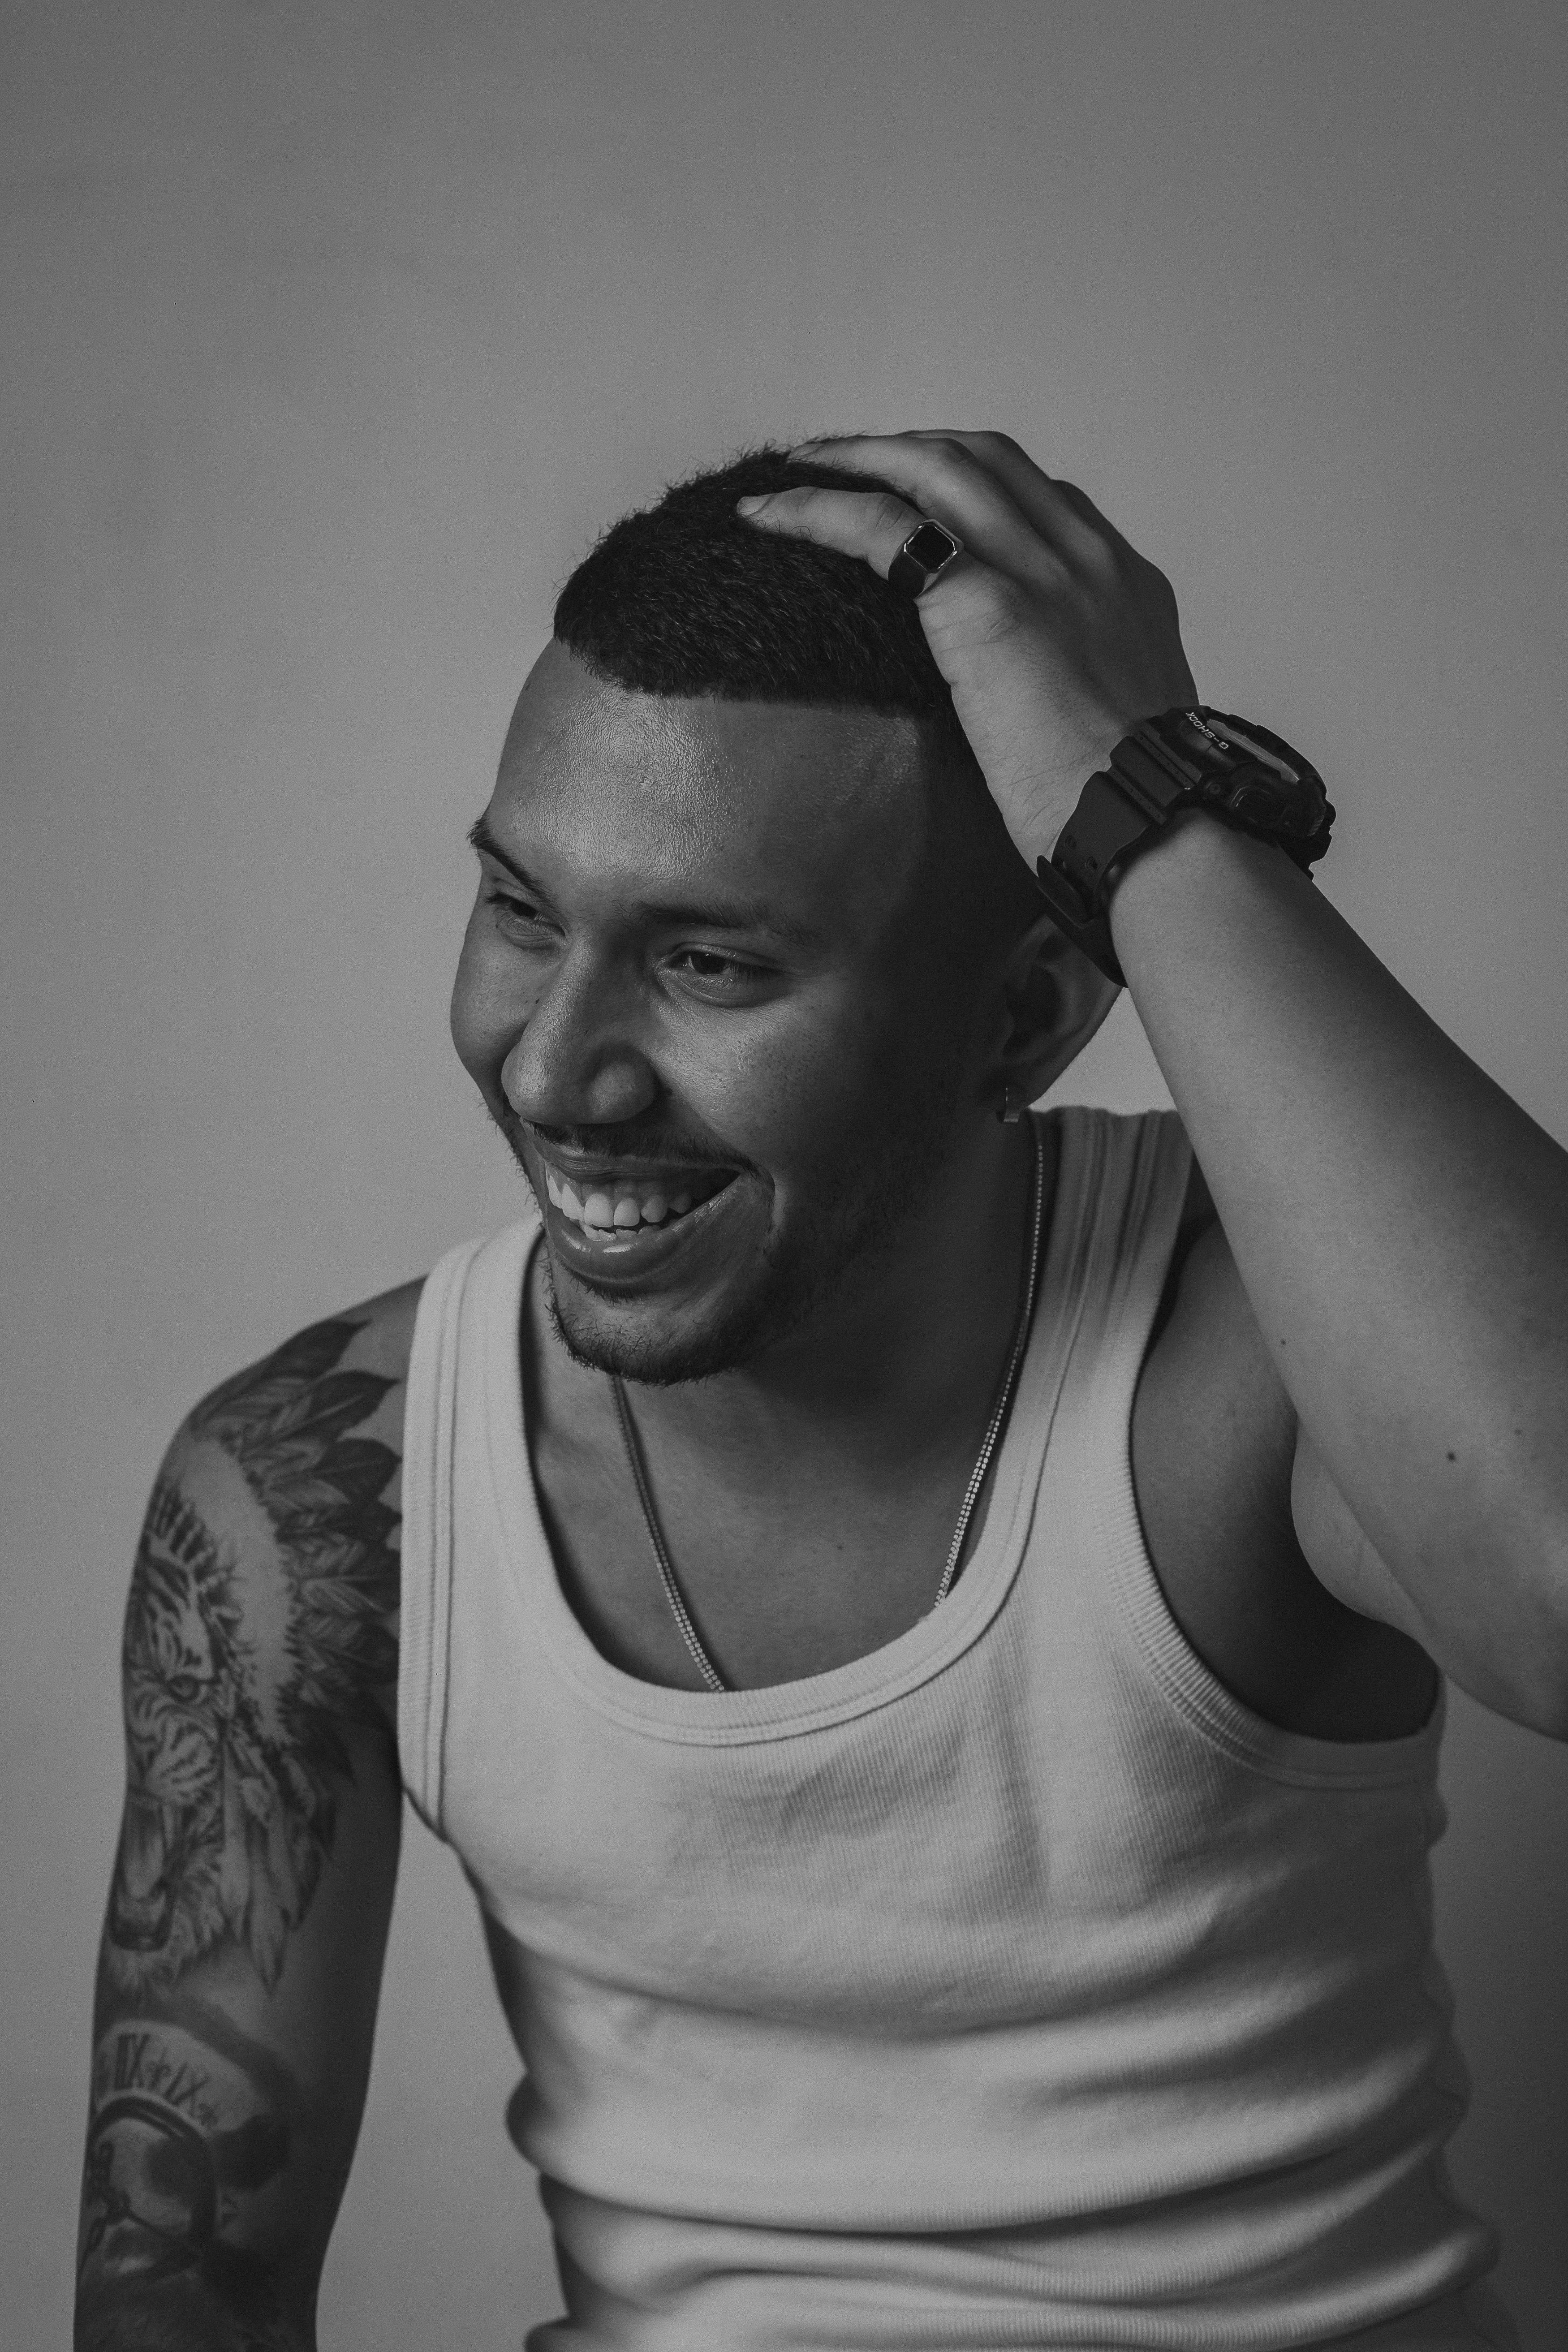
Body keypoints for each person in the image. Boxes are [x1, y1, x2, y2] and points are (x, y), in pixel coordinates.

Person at [73, 431, 1565, 2352]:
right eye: (523, 909)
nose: (552, 1071)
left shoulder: (1256, 1345)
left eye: (706, 962)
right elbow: (178, 2289)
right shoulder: (320, 1488)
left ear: (1022, 1017)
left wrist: (1157, 817)